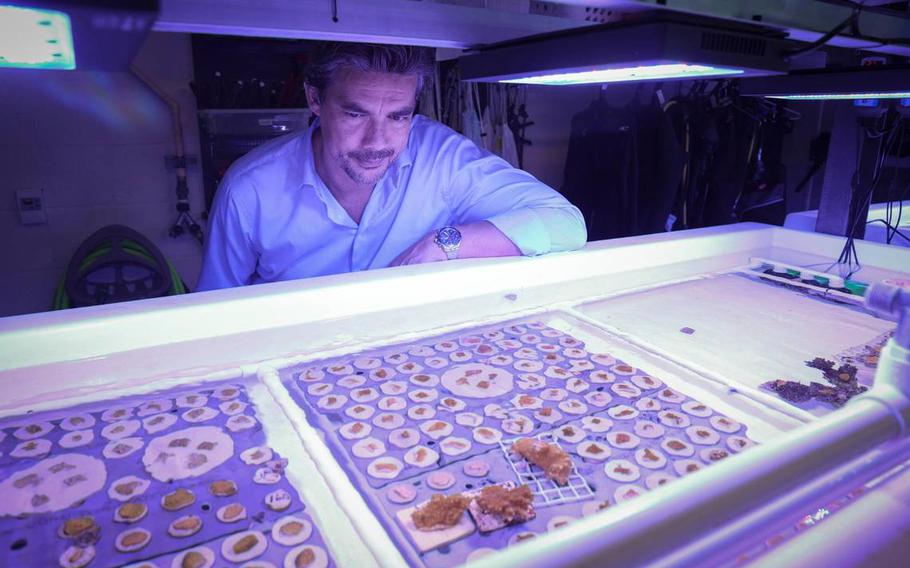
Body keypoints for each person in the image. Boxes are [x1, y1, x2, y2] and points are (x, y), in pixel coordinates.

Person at [197, 42, 586, 291]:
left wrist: (442, 243)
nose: (377, 142)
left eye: (398, 117)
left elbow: (566, 224)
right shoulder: (249, 189)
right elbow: (210, 315)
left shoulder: (441, 157)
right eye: (355, 114)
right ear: (315, 99)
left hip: (410, 370)